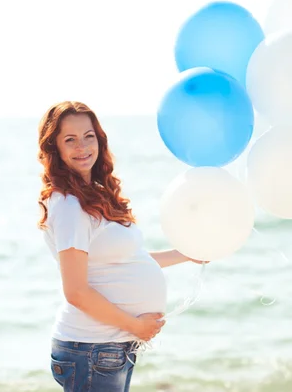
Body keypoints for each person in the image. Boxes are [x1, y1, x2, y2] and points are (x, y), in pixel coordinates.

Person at [37, 101, 204, 391]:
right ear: (55, 149)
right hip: (92, 348)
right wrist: (136, 327)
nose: (82, 146)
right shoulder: (68, 205)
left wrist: (186, 255)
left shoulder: (94, 196)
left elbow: (125, 261)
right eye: (70, 140)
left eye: (89, 136)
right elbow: (76, 291)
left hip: (108, 347)